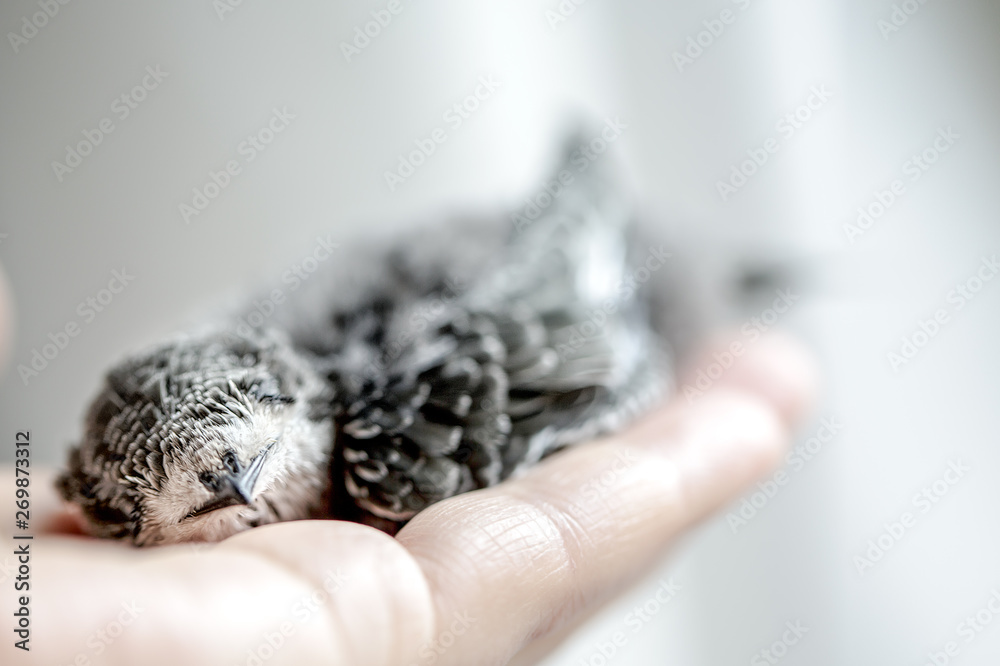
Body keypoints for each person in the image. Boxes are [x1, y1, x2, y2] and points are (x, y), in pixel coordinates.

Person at [0, 260, 817, 666]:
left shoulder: (388, 442)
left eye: (248, 464)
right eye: (194, 505)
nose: (243, 499)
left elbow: (583, 341)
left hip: (586, 281)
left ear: (291, 405)